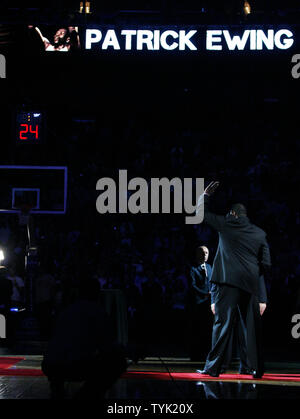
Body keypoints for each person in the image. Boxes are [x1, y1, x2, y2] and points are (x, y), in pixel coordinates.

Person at [196, 181, 271, 379]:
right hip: (250, 284)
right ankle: (256, 369)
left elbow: (202, 214)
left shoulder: (226, 224)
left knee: (222, 324)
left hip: (227, 283)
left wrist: (205, 196)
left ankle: (213, 368)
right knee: (252, 329)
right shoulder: (260, 233)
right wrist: (259, 289)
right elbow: (266, 265)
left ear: (234, 214)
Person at [41, 276, 127, 399]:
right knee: (117, 361)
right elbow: (107, 346)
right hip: (73, 365)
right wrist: (127, 350)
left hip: (50, 364)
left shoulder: (66, 311)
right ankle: (85, 396)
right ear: (97, 293)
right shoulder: (98, 312)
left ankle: (57, 387)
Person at [187, 246, 213, 360]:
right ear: (197, 254)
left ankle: (206, 353)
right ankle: (195, 354)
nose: (205, 255)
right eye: (203, 253)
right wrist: (205, 293)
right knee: (196, 328)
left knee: (207, 328)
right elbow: (192, 285)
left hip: (208, 303)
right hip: (197, 303)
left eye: (207, 253)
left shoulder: (209, 267)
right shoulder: (192, 268)